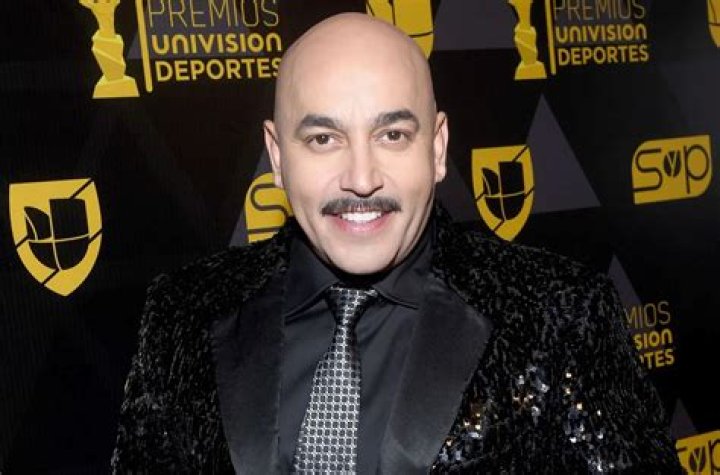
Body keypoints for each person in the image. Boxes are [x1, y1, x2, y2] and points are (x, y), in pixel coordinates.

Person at [111, 12, 683, 474]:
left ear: (437, 148)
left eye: (392, 134)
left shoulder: (562, 312)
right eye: (323, 138)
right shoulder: (182, 311)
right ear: (278, 156)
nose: (362, 179)